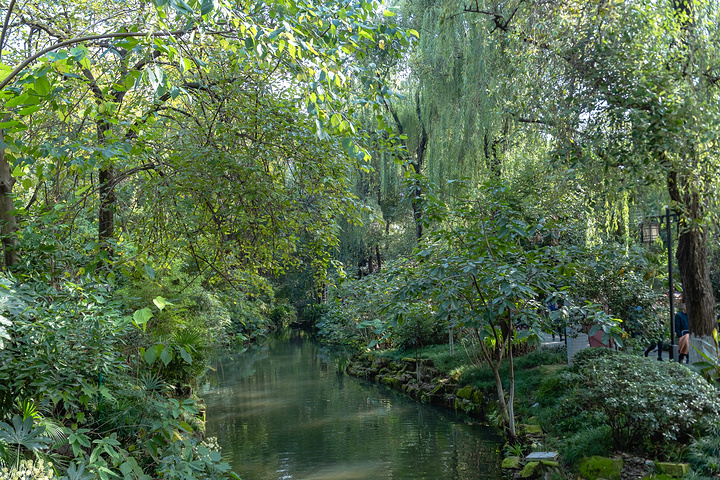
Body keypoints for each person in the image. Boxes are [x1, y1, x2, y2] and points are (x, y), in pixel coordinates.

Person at [675, 296, 690, 364]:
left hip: (688, 334)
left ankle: (684, 358)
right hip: (683, 334)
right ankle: (685, 358)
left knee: (686, 347)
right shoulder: (679, 315)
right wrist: (679, 335)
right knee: (685, 346)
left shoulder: (689, 315)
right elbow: (677, 327)